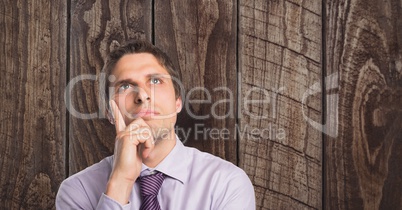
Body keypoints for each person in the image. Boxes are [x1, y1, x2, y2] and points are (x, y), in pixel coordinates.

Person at [56, 40, 255, 209]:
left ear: (178, 101)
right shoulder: (77, 191)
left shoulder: (227, 183)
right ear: (109, 112)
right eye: (125, 86)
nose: (142, 95)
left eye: (155, 81)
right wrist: (120, 183)